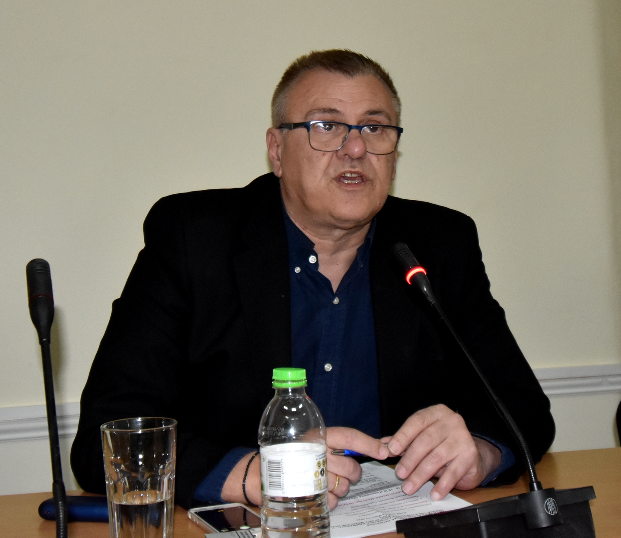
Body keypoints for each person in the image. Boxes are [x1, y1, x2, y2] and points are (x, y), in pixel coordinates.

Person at [71, 49, 555, 510]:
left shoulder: (439, 244)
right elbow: (105, 438)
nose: (356, 148)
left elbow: (524, 409)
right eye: (327, 126)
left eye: (375, 127)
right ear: (276, 150)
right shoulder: (193, 240)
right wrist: (252, 473)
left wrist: (479, 452)